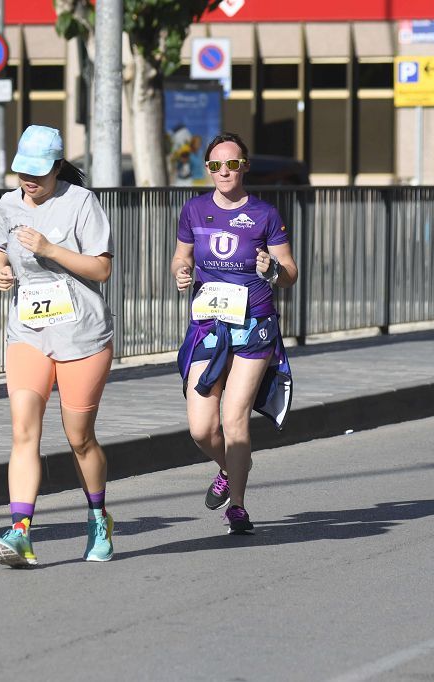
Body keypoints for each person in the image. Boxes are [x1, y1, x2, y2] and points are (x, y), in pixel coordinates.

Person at [0, 125, 116, 567]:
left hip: (82, 334)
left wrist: (50, 248)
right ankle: (21, 531)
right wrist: (1, 272)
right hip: (28, 332)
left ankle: (98, 516)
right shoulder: (6, 205)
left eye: (38, 173)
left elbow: (101, 270)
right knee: (24, 429)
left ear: (58, 167)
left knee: (79, 438)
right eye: (23, 171)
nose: (29, 180)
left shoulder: (81, 203)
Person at [171, 132, 298, 535]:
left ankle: (238, 506)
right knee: (201, 427)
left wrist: (272, 269)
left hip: (253, 325)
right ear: (207, 169)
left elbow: (290, 273)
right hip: (209, 324)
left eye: (231, 164)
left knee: (234, 415)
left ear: (244, 167)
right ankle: (228, 465)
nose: (223, 172)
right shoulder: (193, 210)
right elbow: (181, 254)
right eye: (215, 165)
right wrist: (180, 271)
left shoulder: (264, 214)